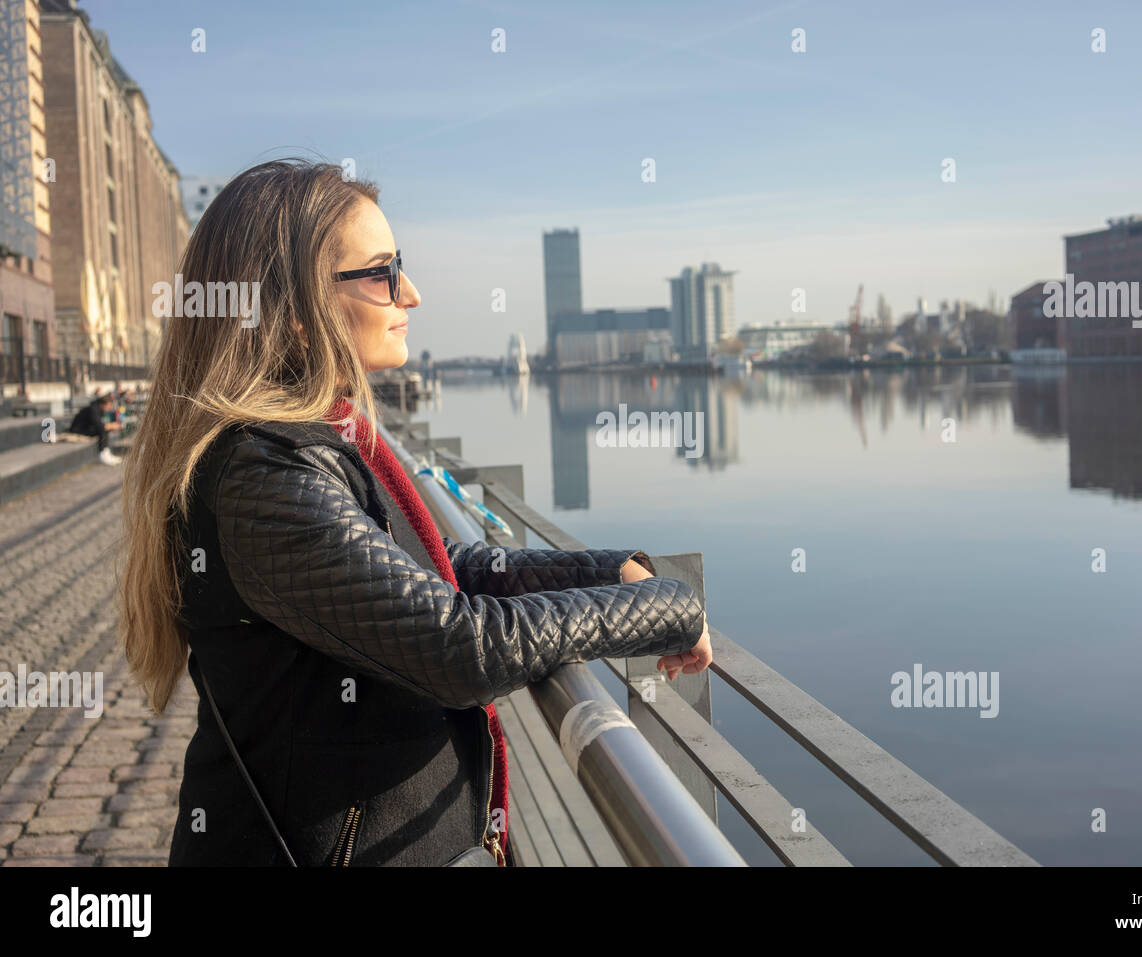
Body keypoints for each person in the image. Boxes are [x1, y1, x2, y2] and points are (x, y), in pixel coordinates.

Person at [118, 159, 711, 867]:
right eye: (382, 272)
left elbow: (429, 564)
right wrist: (670, 606)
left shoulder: (308, 442)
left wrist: (608, 570)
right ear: (298, 313)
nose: (413, 294)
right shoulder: (262, 474)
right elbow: (461, 648)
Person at [67, 392, 123, 465]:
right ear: (103, 404)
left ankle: (106, 452)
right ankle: (102, 454)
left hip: (85, 428)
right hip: (78, 430)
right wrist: (111, 426)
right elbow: (99, 426)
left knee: (105, 430)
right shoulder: (93, 409)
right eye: (109, 406)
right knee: (103, 430)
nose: (109, 408)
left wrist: (109, 426)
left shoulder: (97, 408)